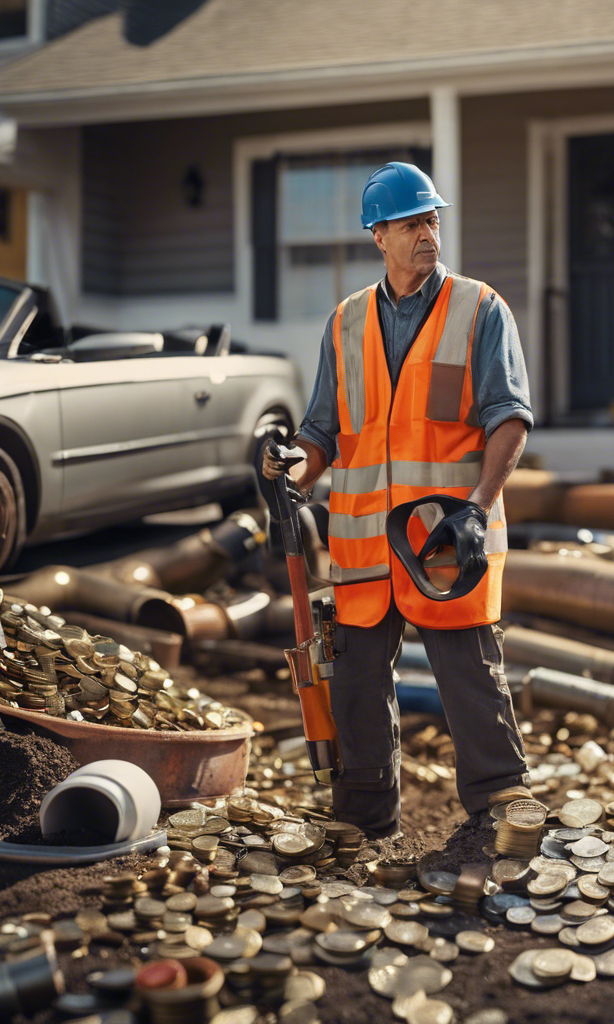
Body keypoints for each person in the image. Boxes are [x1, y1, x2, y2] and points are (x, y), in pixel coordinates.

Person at [262, 162, 533, 839]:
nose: (427, 233)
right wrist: (290, 475)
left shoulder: (479, 309)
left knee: (470, 680)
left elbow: (510, 418)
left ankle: (499, 811)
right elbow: (321, 432)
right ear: (378, 235)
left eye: (432, 219)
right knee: (355, 689)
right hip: (362, 548)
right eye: (412, 223)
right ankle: (364, 820)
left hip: (446, 540)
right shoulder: (345, 323)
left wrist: (478, 507)